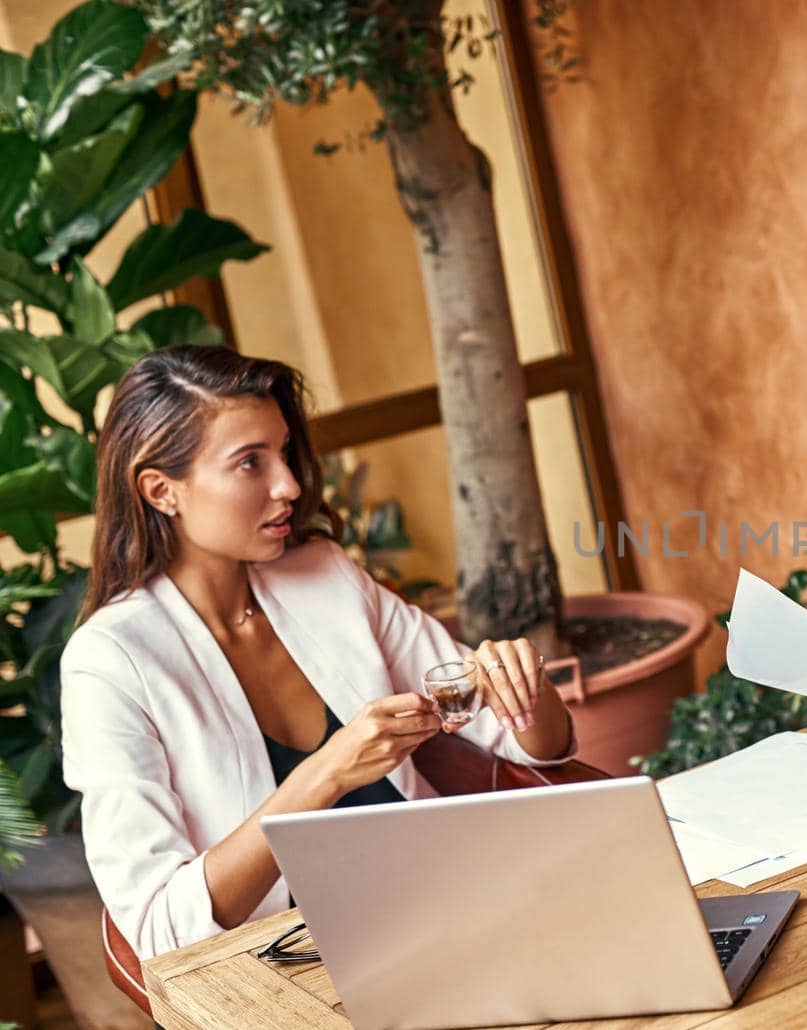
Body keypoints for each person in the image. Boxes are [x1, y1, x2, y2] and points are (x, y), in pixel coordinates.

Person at [61, 346, 578, 973]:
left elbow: (532, 744)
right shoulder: (110, 664)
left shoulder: (325, 577)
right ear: (161, 489)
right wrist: (328, 772)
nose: (290, 485)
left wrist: (522, 683)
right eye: (250, 463)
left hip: (450, 920)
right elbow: (159, 930)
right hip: (284, 984)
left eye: (282, 452)